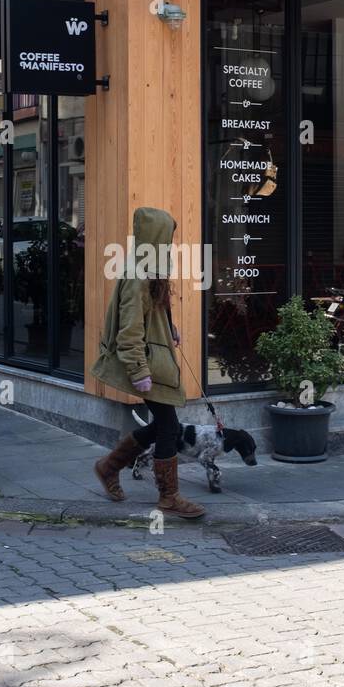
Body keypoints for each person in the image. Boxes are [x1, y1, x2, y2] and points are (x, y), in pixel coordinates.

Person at [90, 207, 205, 519]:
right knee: (169, 425)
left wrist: (169, 329)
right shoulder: (138, 276)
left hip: (153, 359)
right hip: (147, 365)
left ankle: (109, 466)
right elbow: (130, 330)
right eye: (168, 237)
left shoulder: (148, 268)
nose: (171, 243)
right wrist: (139, 371)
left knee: (164, 424)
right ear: (156, 239)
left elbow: (149, 315)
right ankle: (169, 497)